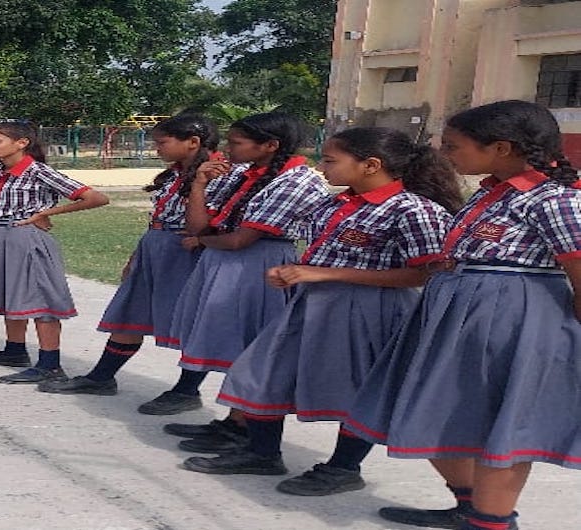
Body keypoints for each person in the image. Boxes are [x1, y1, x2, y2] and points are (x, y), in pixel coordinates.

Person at [182, 126, 460, 498]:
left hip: (368, 307)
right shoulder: (338, 202)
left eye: (331, 160)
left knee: (357, 390)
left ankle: (343, 467)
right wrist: (296, 273)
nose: (322, 167)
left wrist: (326, 273)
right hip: (313, 301)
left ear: (370, 165)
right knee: (259, 371)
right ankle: (261, 451)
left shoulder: (413, 209)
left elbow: (424, 273)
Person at [345, 100, 581, 530]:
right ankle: (469, 506)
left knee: (503, 423)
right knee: (439, 409)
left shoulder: (554, 199)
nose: (447, 154)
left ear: (502, 147)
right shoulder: (494, 191)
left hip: (513, 318)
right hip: (459, 315)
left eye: (455, 146)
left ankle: (491, 522)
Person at [151, 113, 332, 422]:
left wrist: (205, 241)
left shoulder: (297, 180)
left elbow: (240, 240)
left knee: (251, 346)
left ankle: (245, 428)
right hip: (224, 263)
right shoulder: (242, 174)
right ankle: (234, 424)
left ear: (269, 146)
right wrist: (199, 185)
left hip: (258, 265)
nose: (227, 148)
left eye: (236, 143)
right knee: (230, 340)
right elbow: (198, 227)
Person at [42, 115, 221, 395]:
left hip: (187, 254)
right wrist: (136, 256)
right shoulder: (173, 173)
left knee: (192, 321)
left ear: (193, 143)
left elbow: (207, 222)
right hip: (155, 248)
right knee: (131, 313)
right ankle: (101, 377)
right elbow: (157, 217)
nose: (156, 149)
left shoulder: (216, 175)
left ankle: (186, 391)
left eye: (162, 142)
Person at [0, 122, 111, 384]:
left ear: (22, 143)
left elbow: (96, 198)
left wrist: (45, 214)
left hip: (27, 238)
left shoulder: (38, 171)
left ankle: (50, 363)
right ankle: (14, 350)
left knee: (40, 299)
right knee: (11, 295)